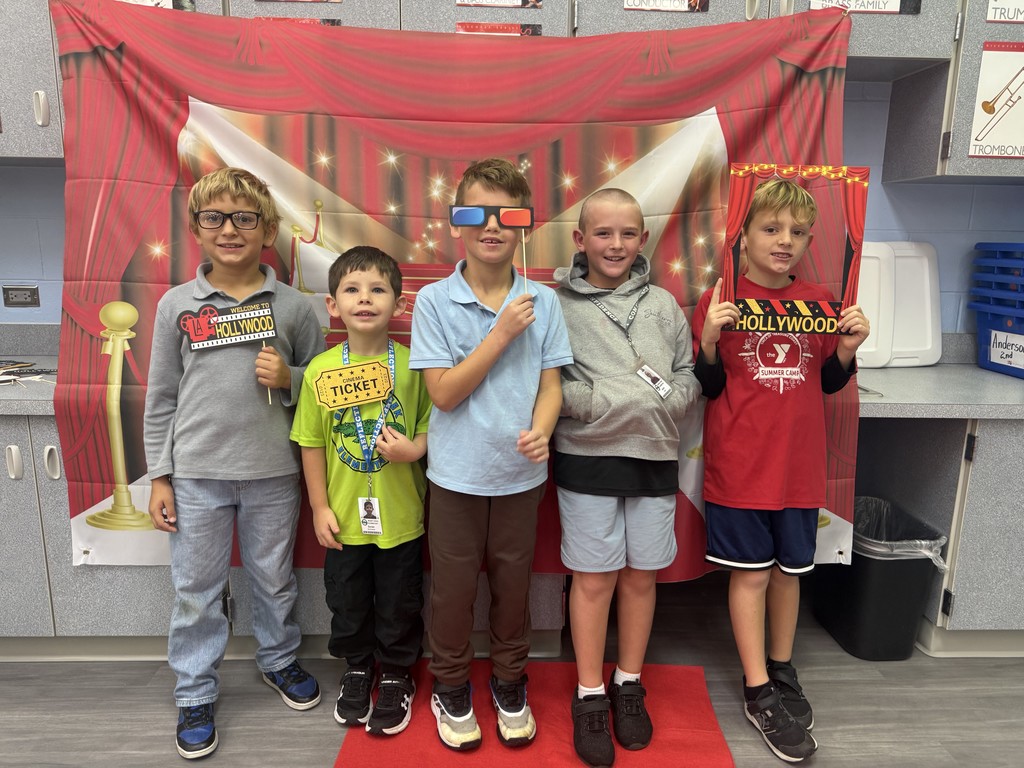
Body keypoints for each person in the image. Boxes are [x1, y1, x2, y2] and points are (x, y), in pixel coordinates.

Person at [145, 167, 325, 760]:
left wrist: (291, 377)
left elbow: (323, 388)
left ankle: (277, 660)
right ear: (196, 228)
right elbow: (161, 398)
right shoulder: (177, 305)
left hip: (274, 473)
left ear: (267, 229)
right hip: (197, 475)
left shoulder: (295, 308)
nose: (230, 229)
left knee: (274, 581)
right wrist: (161, 476)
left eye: (244, 218)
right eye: (215, 218)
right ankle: (195, 689)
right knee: (196, 589)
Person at [691, 179, 870, 763]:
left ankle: (782, 666)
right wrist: (711, 341)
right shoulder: (720, 297)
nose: (784, 241)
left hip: (798, 470)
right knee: (750, 575)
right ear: (743, 236)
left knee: (789, 573)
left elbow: (826, 382)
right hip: (741, 468)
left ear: (810, 240)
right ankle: (756, 687)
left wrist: (846, 349)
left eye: (796, 233)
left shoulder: (820, 301)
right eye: (771, 229)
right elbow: (709, 386)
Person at [409, 157, 573, 751]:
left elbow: (552, 384)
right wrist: (501, 333)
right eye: (476, 214)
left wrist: (543, 427)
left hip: (520, 476)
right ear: (458, 224)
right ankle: (450, 684)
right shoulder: (433, 301)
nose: (492, 227)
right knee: (452, 590)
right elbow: (443, 394)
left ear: (523, 226)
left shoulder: (544, 301)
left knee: (513, 584)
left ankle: (509, 679)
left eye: (507, 215)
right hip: (454, 475)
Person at [552, 188, 701, 768]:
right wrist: (592, 403)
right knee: (594, 579)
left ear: (643, 239)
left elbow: (686, 372)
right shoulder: (554, 306)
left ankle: (627, 683)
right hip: (587, 456)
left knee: (642, 576)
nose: (616, 245)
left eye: (628, 233)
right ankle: (589, 692)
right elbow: (544, 380)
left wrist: (671, 401)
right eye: (603, 233)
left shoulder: (664, 305)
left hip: (656, 457)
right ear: (580, 240)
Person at [291, 245, 432, 738]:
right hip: (344, 518)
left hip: (400, 515)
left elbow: (431, 429)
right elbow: (310, 442)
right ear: (333, 305)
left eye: (378, 289)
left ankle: (396, 673)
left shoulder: (416, 368)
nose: (365, 299)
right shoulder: (320, 371)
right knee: (347, 600)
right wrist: (318, 506)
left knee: (400, 601)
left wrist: (415, 450)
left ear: (399, 303)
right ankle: (357, 667)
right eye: (352, 289)